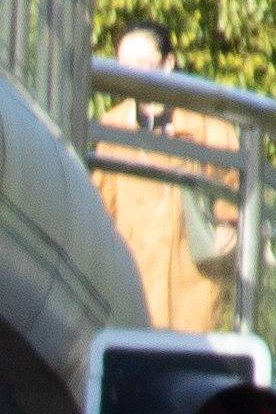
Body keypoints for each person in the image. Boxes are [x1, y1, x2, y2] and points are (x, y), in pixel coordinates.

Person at [94, 24, 234, 335]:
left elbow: (233, 188)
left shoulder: (206, 125)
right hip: (133, 280)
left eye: (142, 64)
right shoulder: (112, 127)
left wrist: (228, 223)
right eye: (124, 66)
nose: (132, 75)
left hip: (192, 284)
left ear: (168, 64)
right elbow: (102, 207)